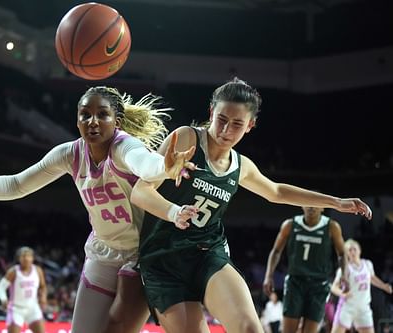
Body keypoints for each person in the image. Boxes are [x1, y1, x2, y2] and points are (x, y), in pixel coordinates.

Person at [0, 86, 195, 333]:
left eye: (102, 115)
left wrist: (165, 167)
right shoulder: (70, 154)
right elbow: (15, 185)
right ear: (77, 120)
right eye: (85, 115)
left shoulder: (125, 147)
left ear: (117, 122)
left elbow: (144, 163)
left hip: (144, 253)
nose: (92, 121)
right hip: (104, 251)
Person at [130, 77, 372, 333]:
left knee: (249, 328)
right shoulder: (186, 139)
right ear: (211, 112)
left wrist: (335, 202)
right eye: (222, 119)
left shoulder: (241, 165)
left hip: (206, 253)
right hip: (162, 257)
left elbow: (276, 191)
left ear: (250, 126)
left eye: (237, 124)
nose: (225, 131)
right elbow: (140, 191)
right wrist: (174, 212)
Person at [263, 206, 346, 333]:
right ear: (302, 205)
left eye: (315, 203)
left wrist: (344, 275)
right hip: (295, 282)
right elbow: (276, 251)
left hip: (319, 284)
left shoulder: (332, 226)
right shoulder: (290, 224)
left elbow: (341, 253)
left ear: (323, 208)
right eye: (308, 202)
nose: (311, 206)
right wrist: (268, 276)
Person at [330, 239, 392, 333]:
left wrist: (384, 286)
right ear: (346, 253)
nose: (352, 252)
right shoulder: (344, 269)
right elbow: (333, 287)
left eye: (354, 249)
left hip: (363, 307)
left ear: (359, 250)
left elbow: (372, 278)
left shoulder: (367, 264)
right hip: (348, 307)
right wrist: (342, 294)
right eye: (349, 250)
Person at [0, 247, 47, 333]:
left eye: (28, 256)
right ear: (19, 258)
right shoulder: (13, 272)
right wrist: (3, 299)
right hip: (16, 309)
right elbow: (0, 288)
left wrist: (43, 298)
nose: (26, 258)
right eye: (23, 256)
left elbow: (43, 287)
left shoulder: (38, 271)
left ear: (32, 258)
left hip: (32, 307)